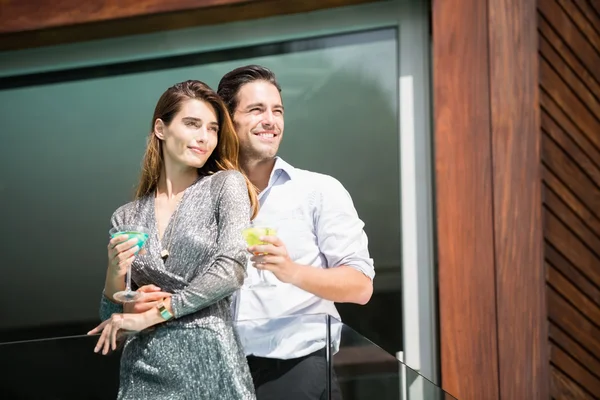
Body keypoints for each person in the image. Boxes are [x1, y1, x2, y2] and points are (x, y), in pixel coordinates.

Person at [87, 80, 259, 400]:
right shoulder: (126, 218)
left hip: (213, 366)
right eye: (192, 124)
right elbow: (113, 318)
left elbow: (232, 268)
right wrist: (114, 273)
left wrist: (158, 312)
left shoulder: (225, 186)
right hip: (145, 371)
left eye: (212, 128)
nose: (204, 137)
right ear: (161, 129)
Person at [216, 65, 375, 400]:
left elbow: (360, 286)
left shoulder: (318, 191)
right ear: (228, 121)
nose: (271, 121)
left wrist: (291, 271)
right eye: (256, 110)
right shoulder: (206, 199)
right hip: (222, 372)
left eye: (277, 111)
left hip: (297, 368)